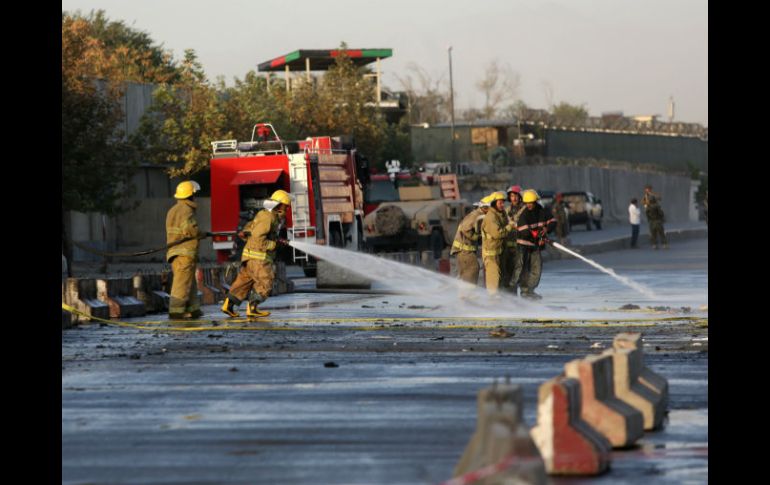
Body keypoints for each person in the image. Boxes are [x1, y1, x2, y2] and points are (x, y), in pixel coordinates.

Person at [221, 189, 293, 318]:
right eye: (286, 206)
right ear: (279, 205)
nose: (287, 209)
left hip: (250, 257)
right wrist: (273, 244)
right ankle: (252, 308)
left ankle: (228, 305)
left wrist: (275, 239)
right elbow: (258, 237)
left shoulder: (264, 214)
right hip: (259, 257)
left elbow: (251, 230)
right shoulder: (269, 217)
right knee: (266, 281)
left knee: (244, 282)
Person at [166, 181, 209, 319]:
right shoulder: (186, 210)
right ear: (190, 195)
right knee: (181, 283)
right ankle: (176, 311)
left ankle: (193, 309)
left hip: (174, 252)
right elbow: (190, 229)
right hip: (185, 252)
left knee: (188, 282)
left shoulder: (173, 210)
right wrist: (201, 233)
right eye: (194, 195)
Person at [515, 190, 556, 299]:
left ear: (536, 201)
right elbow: (524, 232)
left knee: (537, 268)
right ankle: (524, 292)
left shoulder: (542, 211)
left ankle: (530, 290)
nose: (529, 205)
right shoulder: (524, 215)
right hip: (523, 245)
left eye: (531, 203)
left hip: (535, 246)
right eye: (527, 203)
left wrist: (546, 229)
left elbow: (553, 221)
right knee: (524, 269)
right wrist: (538, 238)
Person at [481, 192, 517, 295]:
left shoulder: (501, 214)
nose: (502, 205)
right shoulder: (490, 217)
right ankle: (494, 306)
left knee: (502, 281)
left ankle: (503, 305)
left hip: (500, 254)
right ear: (493, 204)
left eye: (503, 203)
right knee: (494, 283)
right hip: (491, 256)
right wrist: (510, 226)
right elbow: (497, 234)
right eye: (500, 203)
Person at [450, 197, 489, 285]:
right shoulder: (476, 215)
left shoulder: (477, 214)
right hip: (465, 252)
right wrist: (476, 237)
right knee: (472, 270)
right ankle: (468, 296)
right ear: (486, 207)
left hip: (464, 252)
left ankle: (465, 296)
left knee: (467, 275)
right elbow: (465, 228)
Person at [502, 185, 525, 294]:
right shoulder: (506, 211)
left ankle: (526, 298)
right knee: (509, 277)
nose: (514, 198)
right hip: (509, 249)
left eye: (516, 196)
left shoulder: (525, 210)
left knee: (522, 276)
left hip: (521, 248)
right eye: (511, 196)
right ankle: (512, 301)